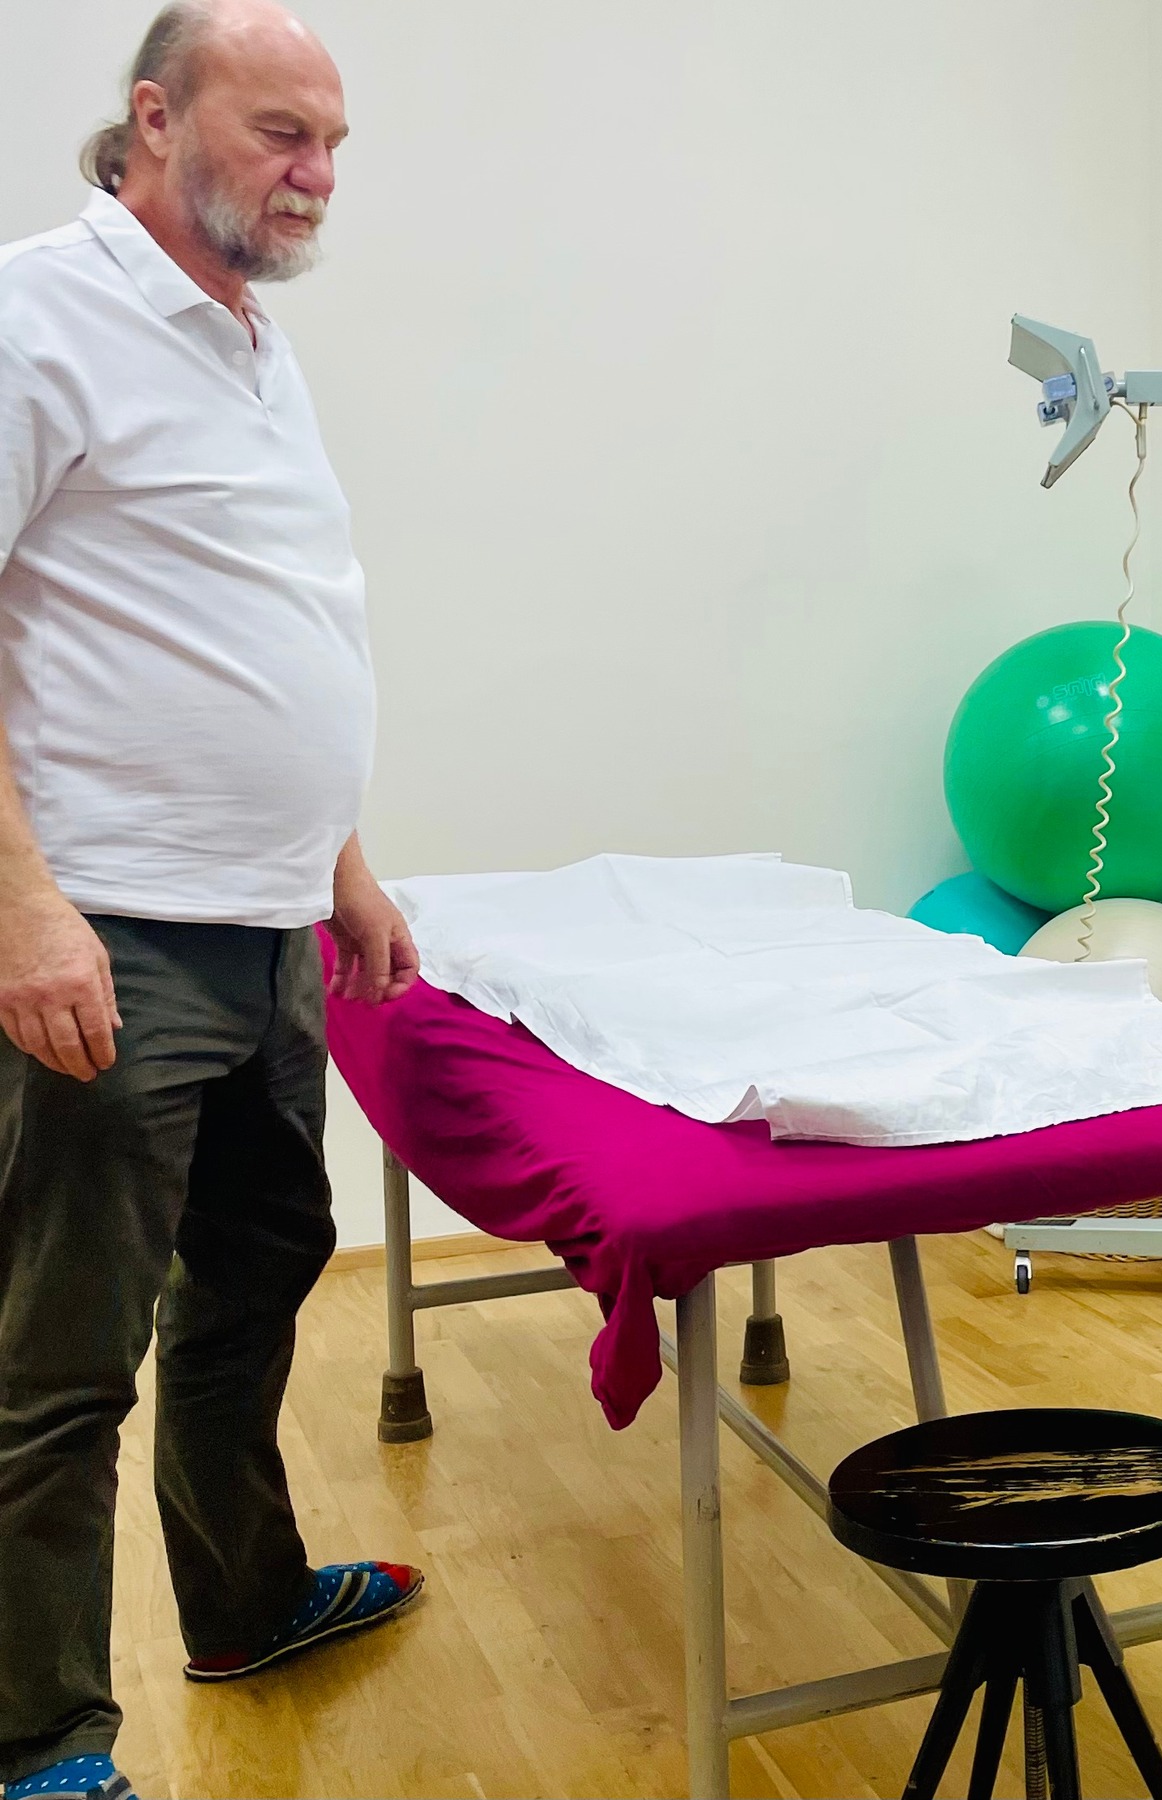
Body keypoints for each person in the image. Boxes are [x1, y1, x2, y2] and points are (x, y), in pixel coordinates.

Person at [0, 7, 422, 1796]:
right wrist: (21, 910)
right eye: (279, 133)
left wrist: (341, 861)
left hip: (265, 925)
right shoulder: (36, 317)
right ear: (156, 119)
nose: (315, 175)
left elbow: (258, 614)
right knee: (63, 1358)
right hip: (106, 930)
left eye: (332, 144)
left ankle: (243, 1602)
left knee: (257, 1269)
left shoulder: (253, 340)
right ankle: (37, 1744)